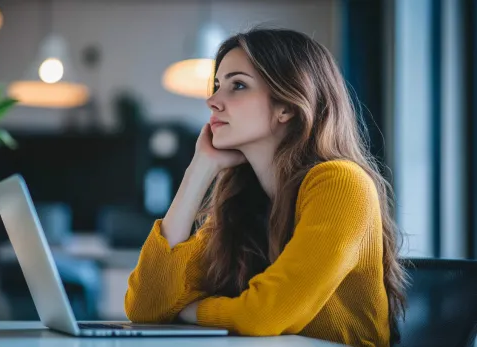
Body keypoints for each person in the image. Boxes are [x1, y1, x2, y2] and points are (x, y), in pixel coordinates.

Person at [124, 27, 408, 347]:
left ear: (286, 106)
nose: (213, 100)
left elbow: (263, 316)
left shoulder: (342, 184)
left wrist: (191, 311)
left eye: (238, 85)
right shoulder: (243, 196)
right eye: (218, 86)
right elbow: (146, 308)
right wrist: (198, 171)